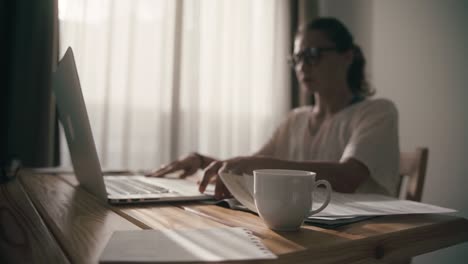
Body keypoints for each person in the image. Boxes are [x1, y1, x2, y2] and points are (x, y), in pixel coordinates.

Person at [147, 17, 399, 200]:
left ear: (347, 56)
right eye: (297, 58)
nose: (302, 66)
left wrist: (257, 164)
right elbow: (247, 169)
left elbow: (348, 178)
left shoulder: (377, 112)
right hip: (312, 231)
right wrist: (201, 161)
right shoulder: (295, 119)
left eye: (312, 54)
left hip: (366, 242)